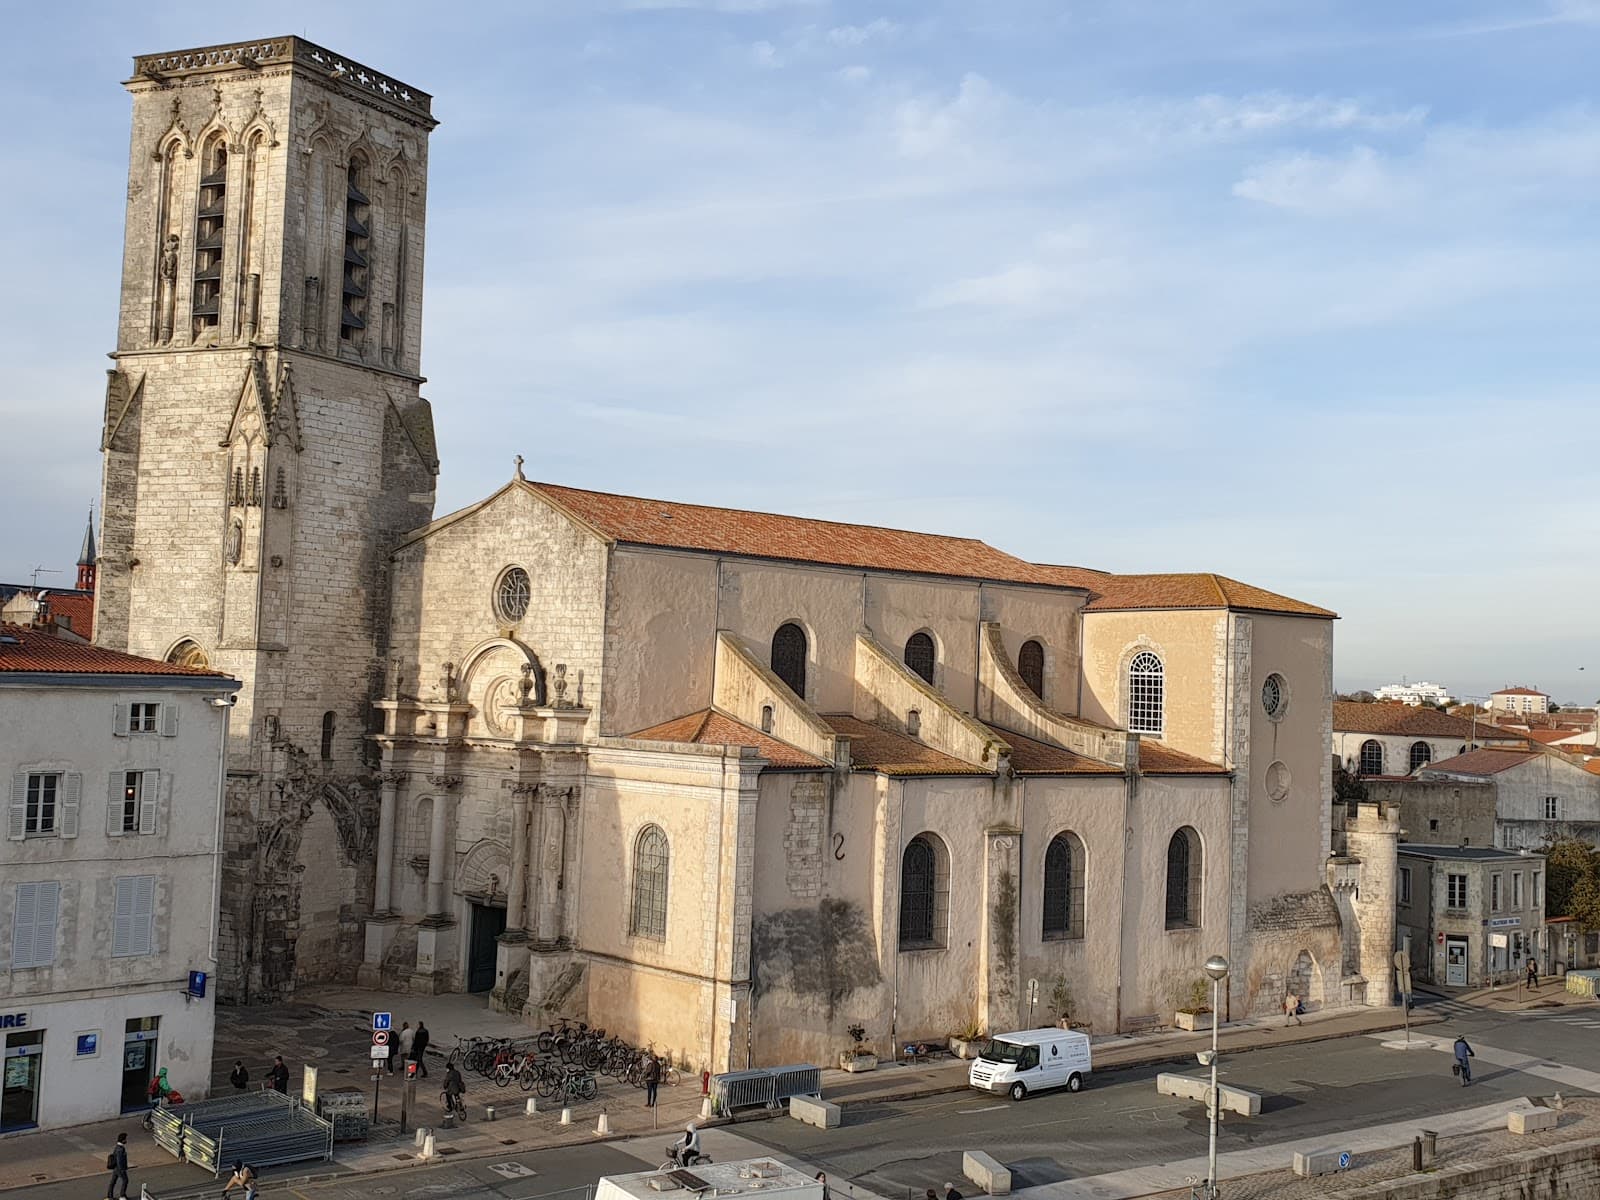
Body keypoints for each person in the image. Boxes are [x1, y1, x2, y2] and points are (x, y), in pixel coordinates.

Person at [106, 1132, 129, 1200]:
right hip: (120, 1168)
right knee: (125, 1180)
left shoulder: (117, 1147)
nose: (126, 1140)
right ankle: (122, 1195)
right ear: (123, 1140)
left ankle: (110, 1196)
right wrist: (122, 1169)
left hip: (115, 1168)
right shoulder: (121, 1149)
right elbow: (119, 1160)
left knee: (113, 1181)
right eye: (125, 1139)